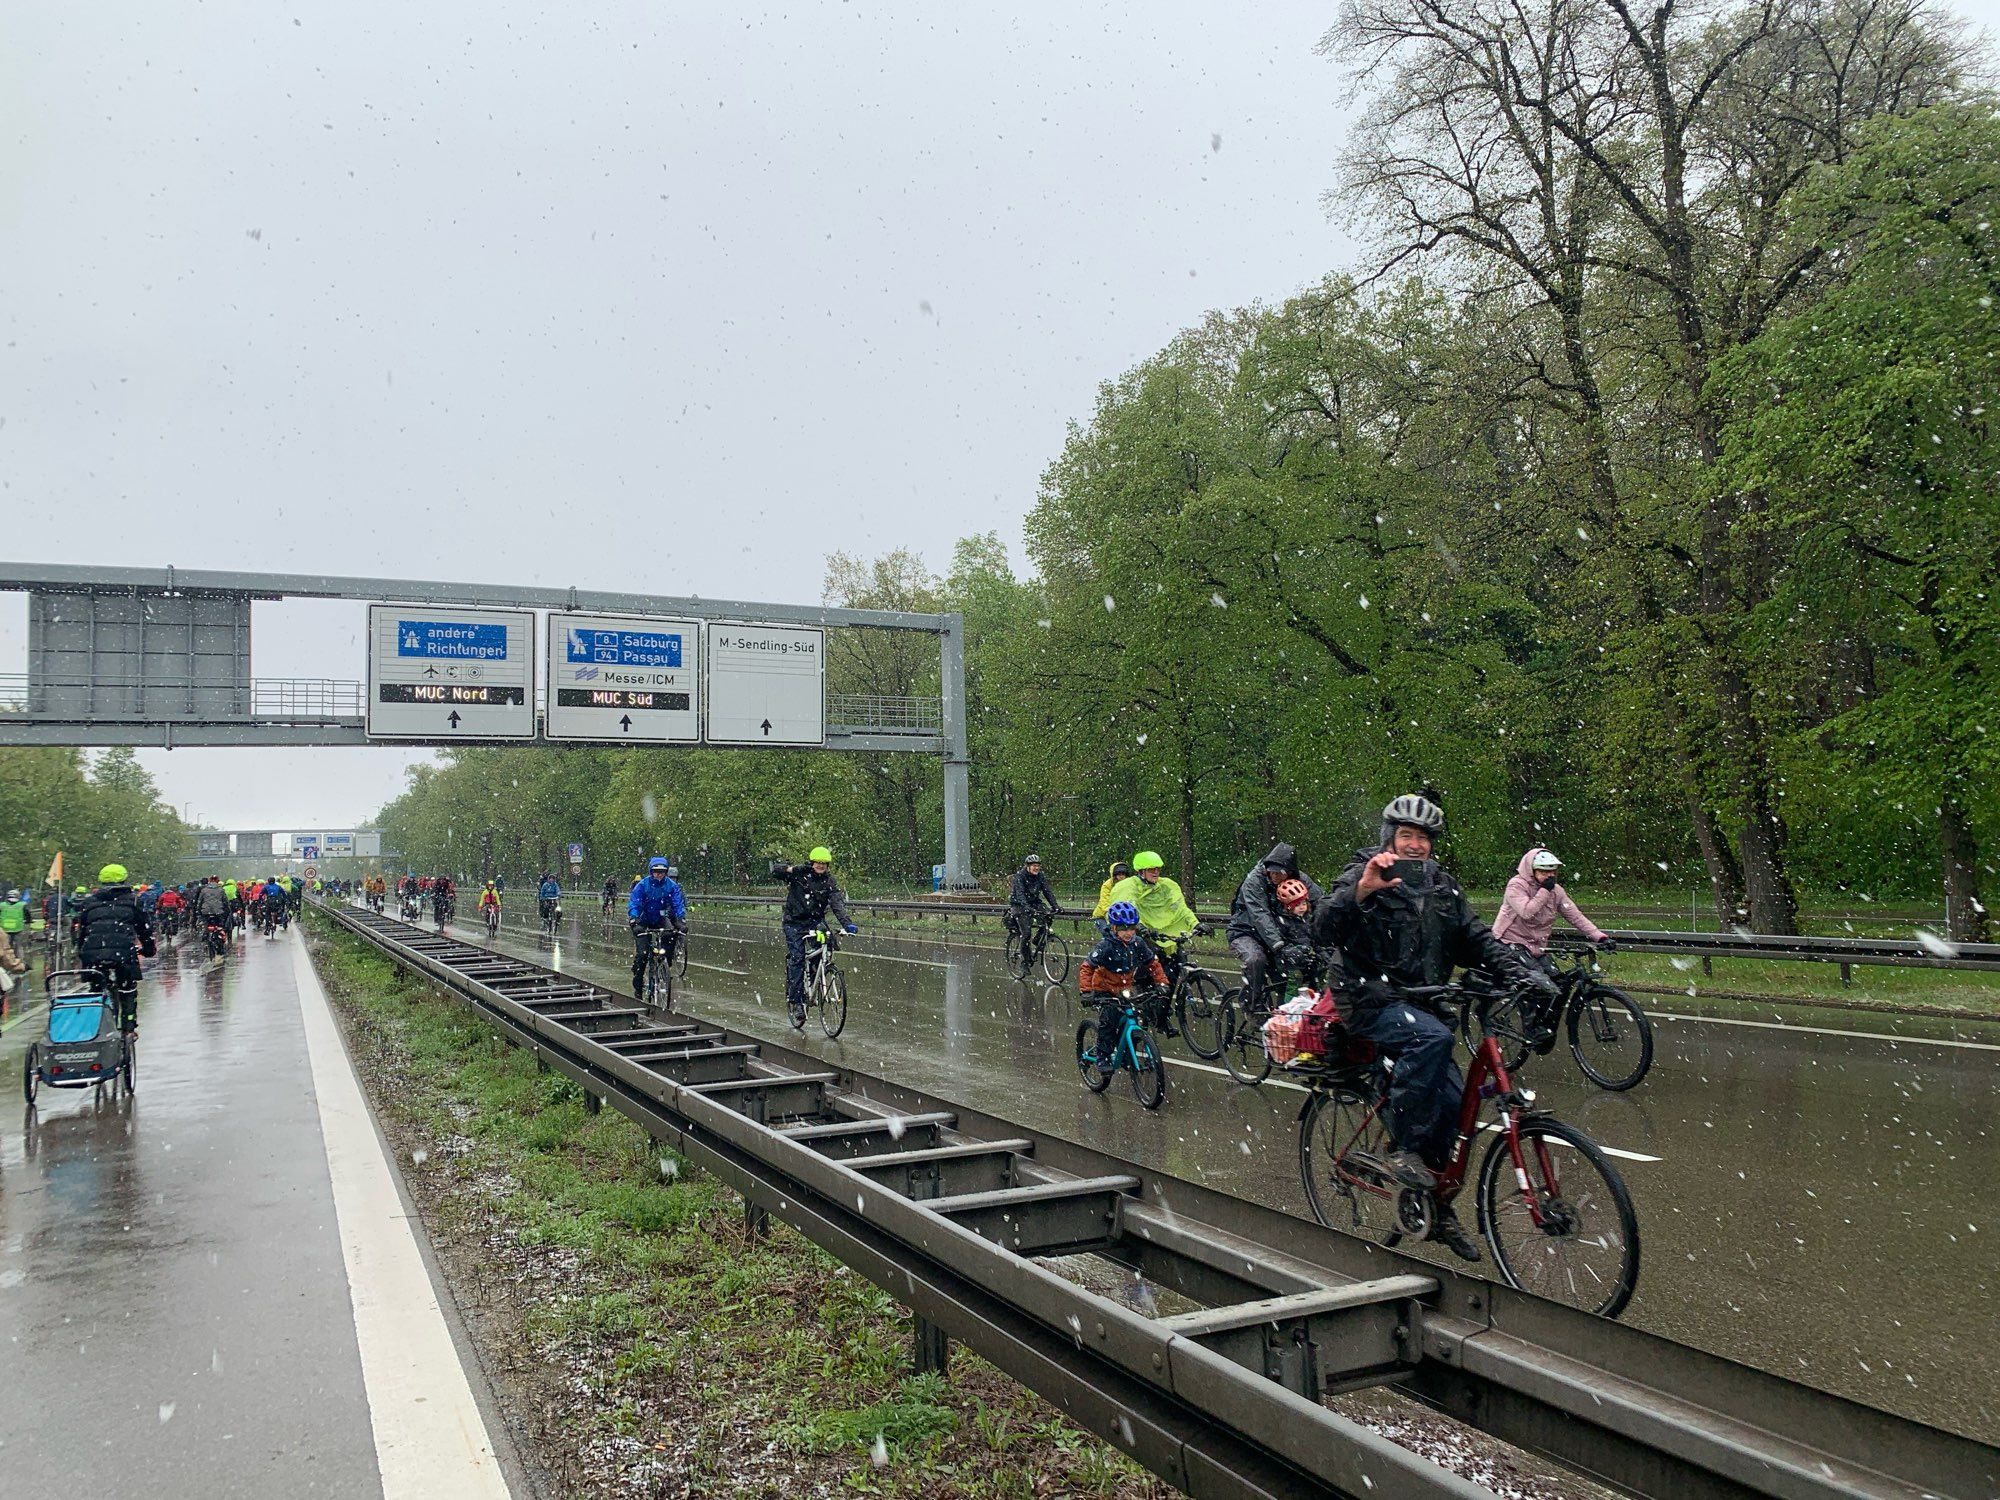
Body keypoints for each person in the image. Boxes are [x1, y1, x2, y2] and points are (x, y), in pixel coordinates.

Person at [1310, 794, 1554, 1263]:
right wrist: (1362, 891)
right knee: (1433, 1039)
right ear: (1390, 838)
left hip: (1423, 1000)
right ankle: (1405, 1149)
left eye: (1423, 838)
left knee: (1453, 1106)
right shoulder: (1365, 870)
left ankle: (1436, 1210)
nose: (1416, 845)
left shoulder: (1443, 887)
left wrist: (1522, 974)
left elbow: (1477, 939)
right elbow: (1323, 929)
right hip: (1368, 997)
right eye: (1407, 836)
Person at [1226, 843, 1325, 1015]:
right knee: (1256, 959)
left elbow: (1321, 902)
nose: (1274, 875)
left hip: (1277, 931)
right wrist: (1280, 946)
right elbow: (1260, 915)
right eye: (1271, 871)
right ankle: (1253, 1007)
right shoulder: (1254, 881)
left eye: (1279, 873)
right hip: (1245, 931)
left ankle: (1285, 1018)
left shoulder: (1300, 878)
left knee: (1289, 975)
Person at [770, 847, 856, 1024]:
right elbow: (775, 871)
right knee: (798, 958)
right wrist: (790, 869)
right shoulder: (800, 874)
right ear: (812, 862)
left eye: (824, 863)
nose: (820, 866)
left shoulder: (829, 882)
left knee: (827, 947)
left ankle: (817, 975)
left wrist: (847, 924)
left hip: (815, 922)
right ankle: (798, 1002)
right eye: (817, 862)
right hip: (794, 922)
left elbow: (837, 904)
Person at [1077, 901, 1169, 1061]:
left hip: (1125, 988)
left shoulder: (1138, 943)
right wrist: (1086, 992)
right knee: (1109, 1022)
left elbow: (1152, 963)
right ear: (1114, 928)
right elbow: (1087, 967)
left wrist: (1162, 983)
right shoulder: (1106, 946)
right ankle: (1103, 1057)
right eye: (1123, 929)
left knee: (1138, 1013)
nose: (1128, 933)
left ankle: (1128, 1050)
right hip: (1104, 989)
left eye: (1132, 928)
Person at [72, 863, 156, 1035]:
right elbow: (144, 929)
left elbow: (82, 931)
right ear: (124, 880)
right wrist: (148, 948)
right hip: (123, 952)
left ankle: (96, 1026)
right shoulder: (133, 901)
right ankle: (128, 1029)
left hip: (93, 953)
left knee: (96, 989)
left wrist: (82, 953)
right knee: (127, 989)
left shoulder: (89, 902)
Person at [1493, 848, 1611, 957]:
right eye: (1544, 872)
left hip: (1537, 948)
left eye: (1552, 872)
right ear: (1532, 871)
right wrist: (1544, 890)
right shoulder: (1516, 885)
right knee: (1536, 979)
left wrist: (1600, 937)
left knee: (1556, 977)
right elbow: (1527, 912)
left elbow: (1575, 916)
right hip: (1509, 944)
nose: (1549, 876)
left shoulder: (1556, 891)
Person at [628, 856, 687, 998]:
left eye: (662, 871)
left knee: (671, 934)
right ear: (651, 871)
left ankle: (665, 965)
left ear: (666, 872)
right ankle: (638, 980)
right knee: (642, 954)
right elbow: (635, 903)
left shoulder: (672, 886)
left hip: (660, 918)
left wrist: (680, 920)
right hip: (643, 919)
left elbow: (677, 903)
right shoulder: (642, 885)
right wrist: (634, 921)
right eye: (656, 871)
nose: (659, 874)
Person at [1005, 854, 1059, 951]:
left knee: (1048, 916)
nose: (1036, 868)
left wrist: (1055, 906)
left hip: (1034, 902)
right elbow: (1020, 893)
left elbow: (1047, 892)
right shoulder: (1020, 876)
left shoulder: (1040, 876)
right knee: (1026, 933)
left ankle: (1038, 939)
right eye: (1034, 866)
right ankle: (1025, 963)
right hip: (1018, 905)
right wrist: (1026, 907)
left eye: (1038, 866)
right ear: (1028, 866)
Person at [1091, 862, 1133, 926]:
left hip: (1121, 915)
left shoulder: (1129, 885)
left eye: (1123, 874)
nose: (1121, 876)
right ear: (1114, 875)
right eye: (1119, 874)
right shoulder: (1107, 886)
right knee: (1109, 933)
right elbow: (1105, 904)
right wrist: (1113, 917)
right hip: (1101, 916)